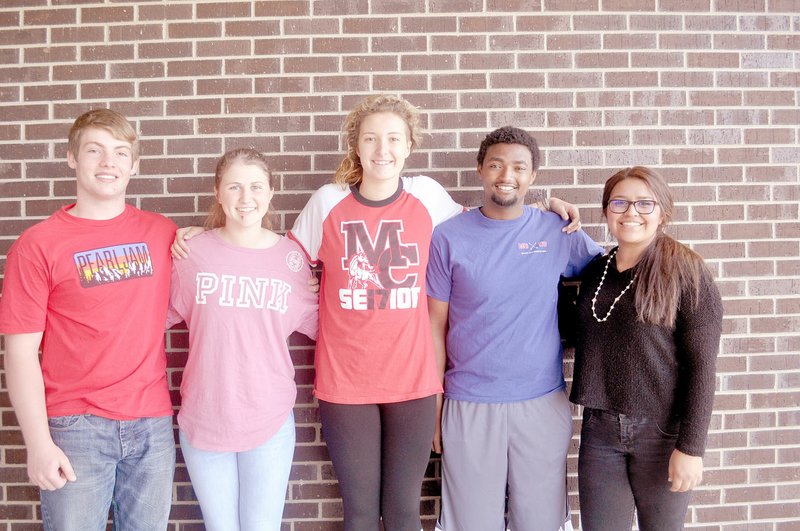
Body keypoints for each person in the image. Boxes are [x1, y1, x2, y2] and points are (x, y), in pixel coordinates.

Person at [172, 94, 580, 530]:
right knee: (361, 513)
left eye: (392, 139)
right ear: (357, 145)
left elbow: (487, 224)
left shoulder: (427, 196)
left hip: (413, 381)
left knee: (404, 511)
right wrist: (206, 236)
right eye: (371, 138)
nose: (382, 149)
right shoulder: (327, 202)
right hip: (346, 383)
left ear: (408, 146)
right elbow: (276, 257)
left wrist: (543, 209)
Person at [0, 109, 177, 529]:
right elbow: (20, 352)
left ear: (134, 165)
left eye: (120, 152)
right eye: (94, 151)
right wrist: (38, 443)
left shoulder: (163, 233)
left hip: (151, 423)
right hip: (75, 427)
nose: (108, 162)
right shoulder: (38, 245)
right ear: (72, 158)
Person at [425, 126, 603, 531]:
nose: (508, 175)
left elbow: (612, 271)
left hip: (541, 401)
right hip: (468, 401)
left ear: (533, 176)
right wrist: (435, 407)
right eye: (497, 164)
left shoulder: (556, 230)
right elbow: (433, 328)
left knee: (540, 523)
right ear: (480, 170)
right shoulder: (446, 238)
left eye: (519, 167)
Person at [167, 148, 318, 530]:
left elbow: (331, 328)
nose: (245, 198)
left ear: (270, 192)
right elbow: (145, 320)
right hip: (204, 418)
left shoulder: (292, 261)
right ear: (218, 192)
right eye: (234, 187)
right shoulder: (191, 254)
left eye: (255, 187)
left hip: (267, 419)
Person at [569, 166, 723, 530]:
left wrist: (691, 449)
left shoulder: (687, 272)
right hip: (600, 431)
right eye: (619, 202)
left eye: (644, 203)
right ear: (606, 211)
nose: (630, 212)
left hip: (662, 433)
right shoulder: (597, 271)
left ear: (663, 212)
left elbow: (702, 366)